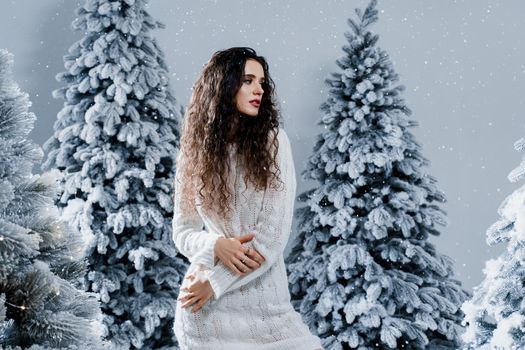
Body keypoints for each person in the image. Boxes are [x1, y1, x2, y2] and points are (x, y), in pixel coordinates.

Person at [172, 47, 324, 350]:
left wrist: (215, 281)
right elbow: (183, 232)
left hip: (266, 309)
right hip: (205, 312)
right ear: (223, 85)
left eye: (262, 82)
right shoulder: (194, 154)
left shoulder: (272, 141)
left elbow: (271, 236)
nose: (259, 90)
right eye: (247, 80)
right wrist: (215, 244)